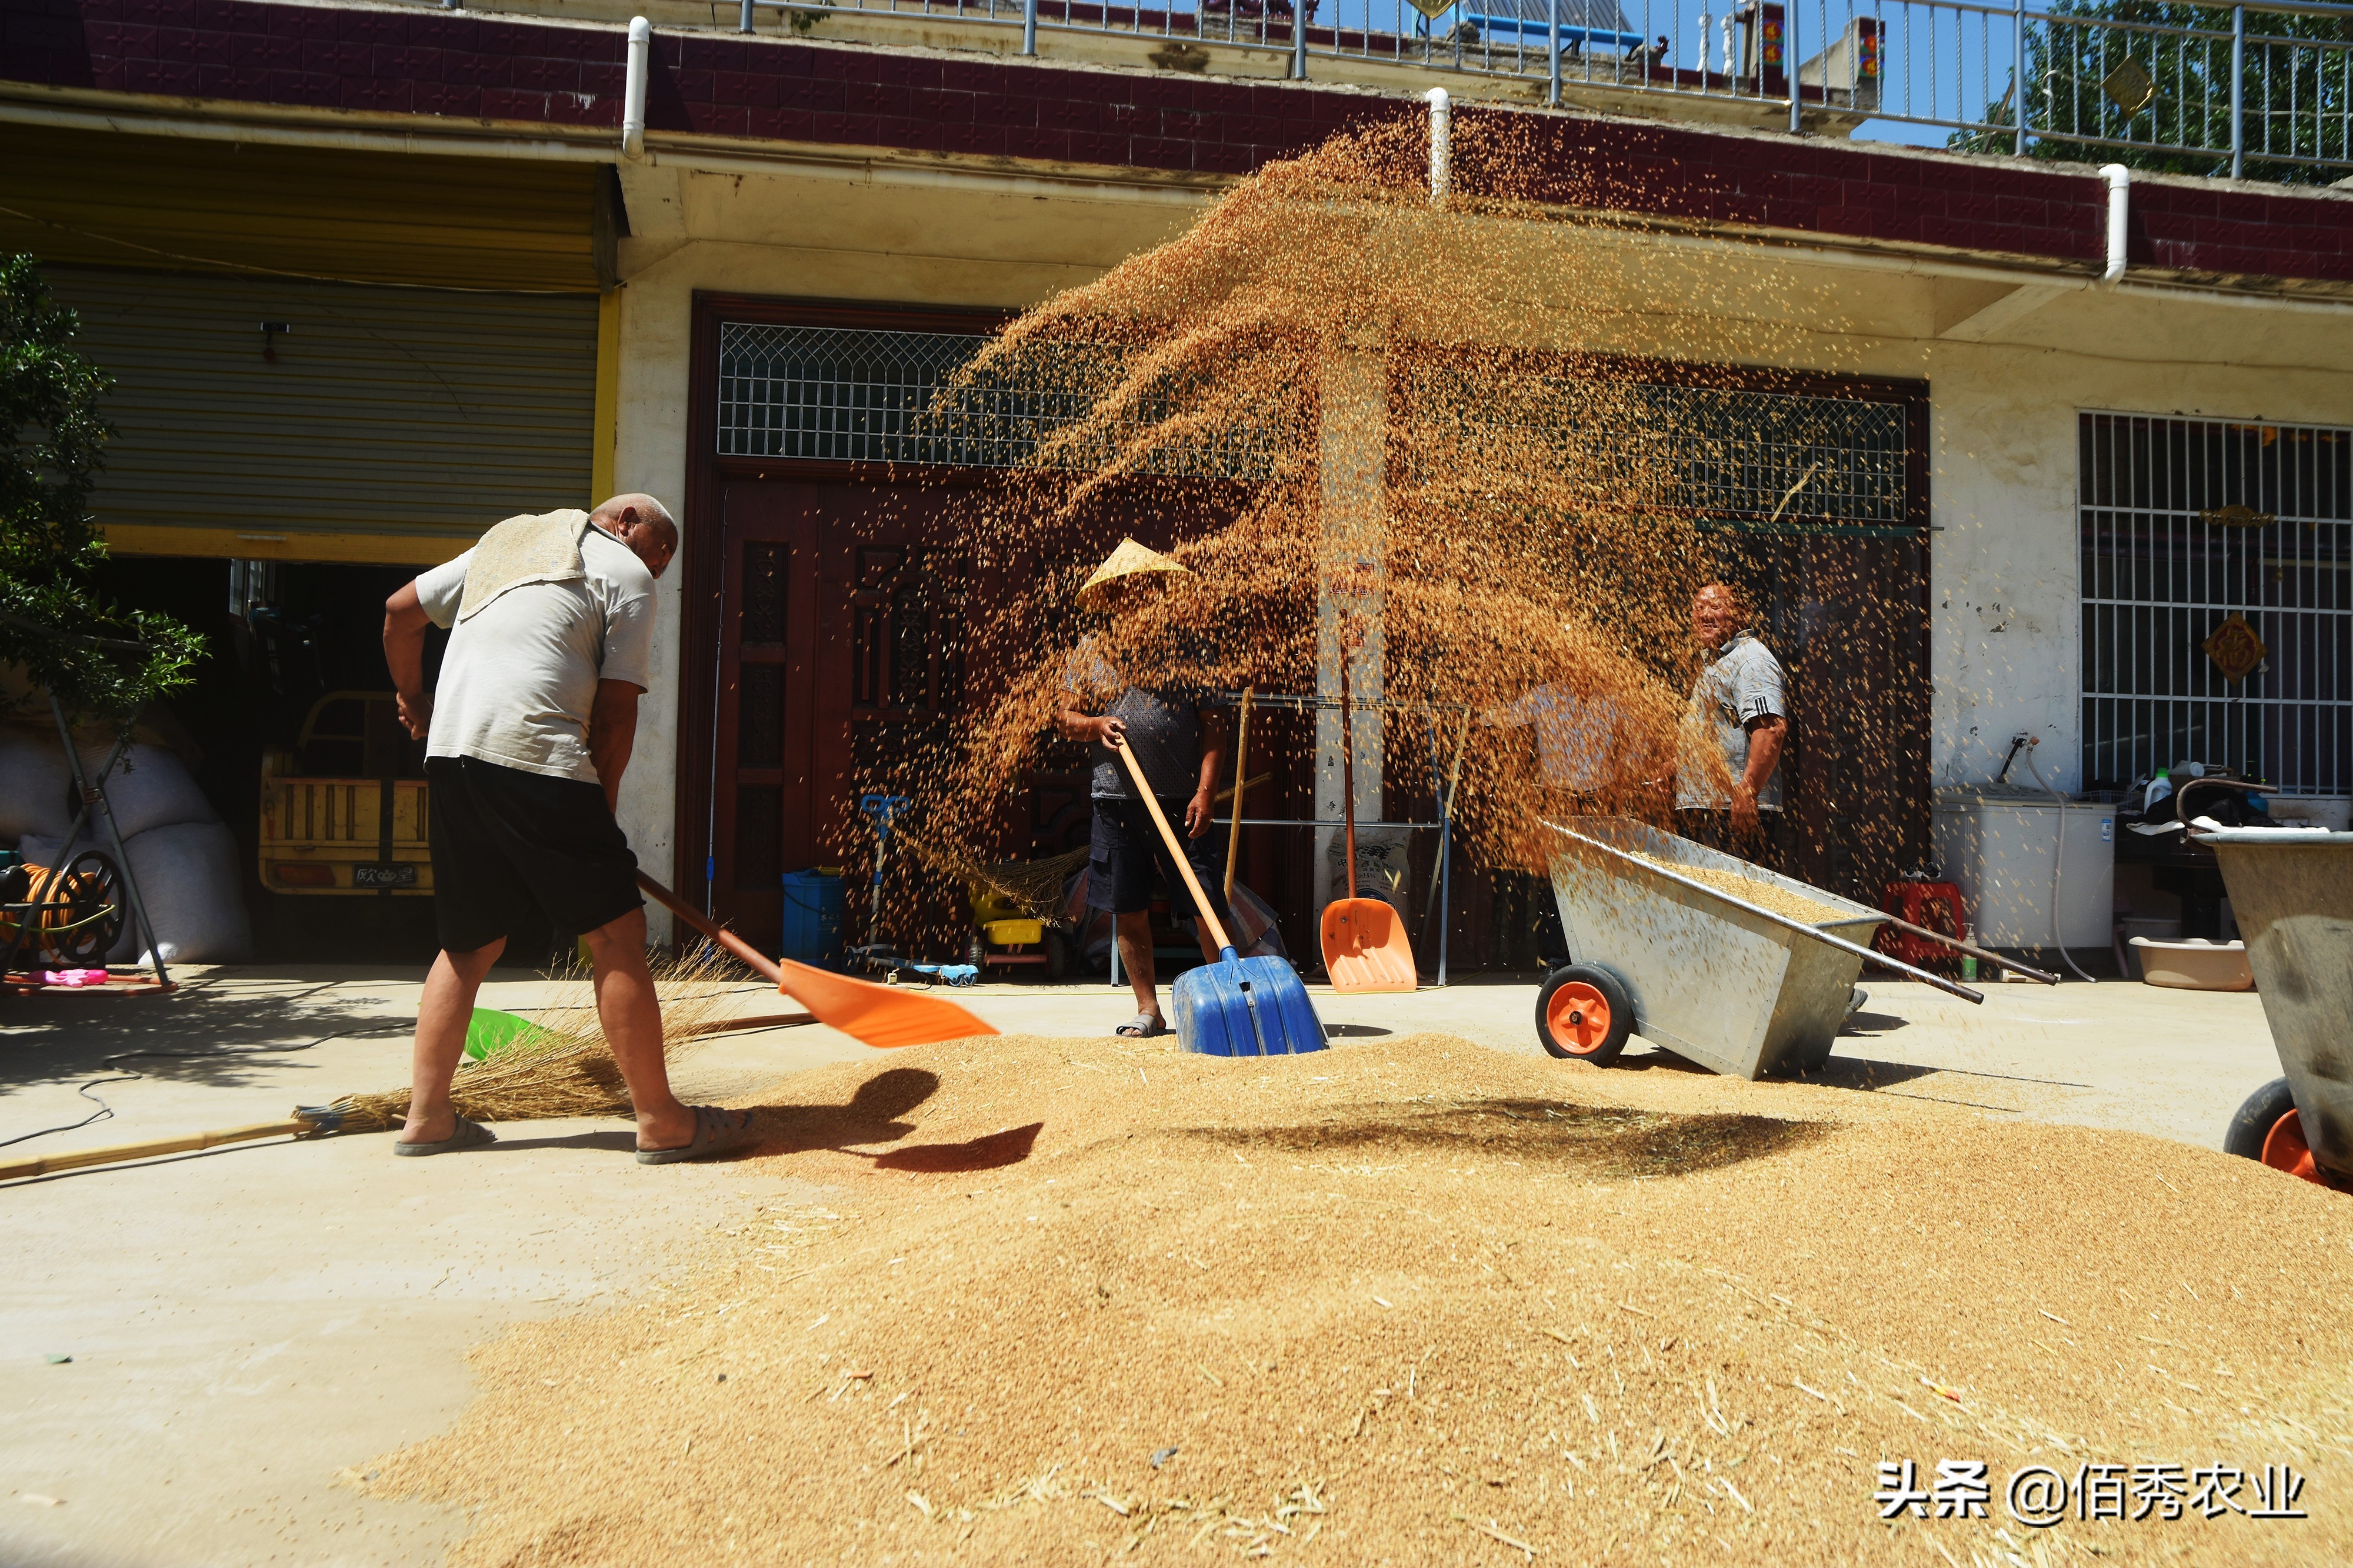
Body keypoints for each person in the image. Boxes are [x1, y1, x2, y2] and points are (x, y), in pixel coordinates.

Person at [381, 494, 756, 1164]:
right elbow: (614, 716)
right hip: (536, 756)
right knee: (617, 933)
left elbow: (399, 613)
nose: (658, 570)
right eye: (660, 553)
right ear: (626, 522)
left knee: (468, 944)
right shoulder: (627, 571)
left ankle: (428, 1116)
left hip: (453, 756)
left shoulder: (502, 545)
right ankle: (663, 1121)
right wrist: (599, 814)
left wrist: (413, 697)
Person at [1054, 539, 1234, 1039]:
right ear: (1113, 597)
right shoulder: (1092, 650)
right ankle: (1149, 1009)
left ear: (1159, 593)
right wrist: (1095, 726)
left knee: (1205, 904)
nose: (1138, 598)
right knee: (1128, 907)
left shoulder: (1192, 648)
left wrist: (1206, 792)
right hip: (1116, 799)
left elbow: (1215, 725)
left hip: (1181, 803)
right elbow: (1064, 718)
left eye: (1147, 589)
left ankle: (1229, 1002)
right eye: (1127, 591)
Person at [1675, 581, 1790, 868]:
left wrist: (1747, 792)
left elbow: (1771, 729)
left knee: (1733, 892)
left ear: (1741, 614)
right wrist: (1672, 771)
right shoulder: (1716, 661)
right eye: (1699, 608)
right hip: (1707, 808)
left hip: (1733, 813)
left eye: (1715, 607)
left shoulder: (1751, 661)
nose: (1705, 615)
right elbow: (1709, 736)